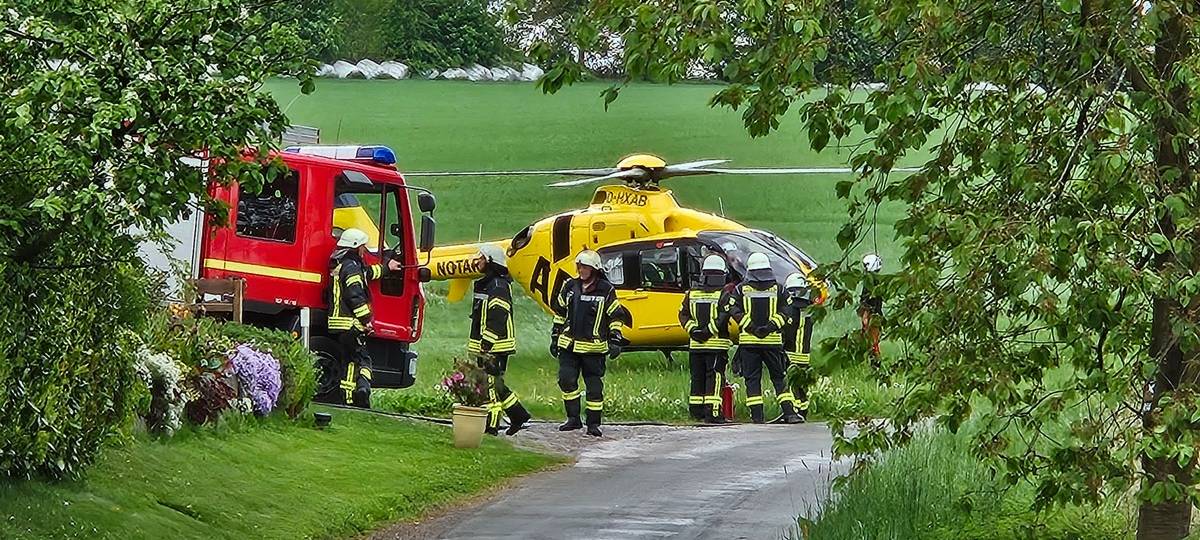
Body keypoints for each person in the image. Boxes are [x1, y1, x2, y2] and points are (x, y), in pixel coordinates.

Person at [551, 250, 630, 437]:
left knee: (594, 387)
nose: (580, 269)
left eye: (584, 266)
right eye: (578, 266)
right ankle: (573, 419)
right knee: (566, 380)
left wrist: (615, 338)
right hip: (568, 346)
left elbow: (616, 316)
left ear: (594, 269)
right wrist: (555, 336)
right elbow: (560, 313)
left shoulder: (606, 290)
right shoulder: (570, 286)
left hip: (594, 349)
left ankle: (593, 424)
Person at [327, 228, 402, 408]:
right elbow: (355, 297)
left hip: (340, 324)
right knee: (361, 361)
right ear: (356, 247)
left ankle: (348, 397)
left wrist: (387, 267)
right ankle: (360, 393)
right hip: (351, 324)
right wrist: (367, 320)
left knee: (349, 361)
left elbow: (367, 273)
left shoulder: (344, 265)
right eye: (362, 247)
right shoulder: (351, 268)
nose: (364, 250)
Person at [727, 252, 803, 424]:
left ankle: (757, 417)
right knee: (779, 378)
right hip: (772, 343)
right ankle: (789, 413)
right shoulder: (780, 289)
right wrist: (771, 327)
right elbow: (787, 311)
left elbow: (733, 309)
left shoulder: (741, 290)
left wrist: (751, 326)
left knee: (752, 380)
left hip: (749, 343)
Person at [469, 244, 531, 436]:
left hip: (495, 345)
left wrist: (487, 341)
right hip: (487, 343)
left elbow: (498, 315)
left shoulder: (497, 286)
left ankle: (491, 426)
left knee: (489, 385)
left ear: (489, 261)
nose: (476, 261)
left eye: (480, 258)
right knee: (495, 383)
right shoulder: (488, 283)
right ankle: (518, 414)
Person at [679, 255, 735, 424]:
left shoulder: (691, 294)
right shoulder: (723, 295)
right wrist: (708, 331)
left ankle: (697, 412)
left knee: (697, 377)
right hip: (716, 345)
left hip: (696, 345)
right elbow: (723, 317)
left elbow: (683, 315)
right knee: (715, 377)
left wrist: (694, 331)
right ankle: (714, 412)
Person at [781, 272, 816, 422]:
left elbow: (785, 332)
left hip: (790, 352)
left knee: (791, 383)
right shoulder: (810, 310)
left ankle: (794, 410)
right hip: (805, 354)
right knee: (802, 385)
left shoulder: (789, 309)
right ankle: (803, 409)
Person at [859, 253, 884, 360]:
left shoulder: (870, 282)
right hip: (875, 315)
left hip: (872, 316)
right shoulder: (876, 281)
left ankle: (876, 364)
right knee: (871, 341)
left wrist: (865, 315)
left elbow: (868, 300)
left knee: (872, 342)